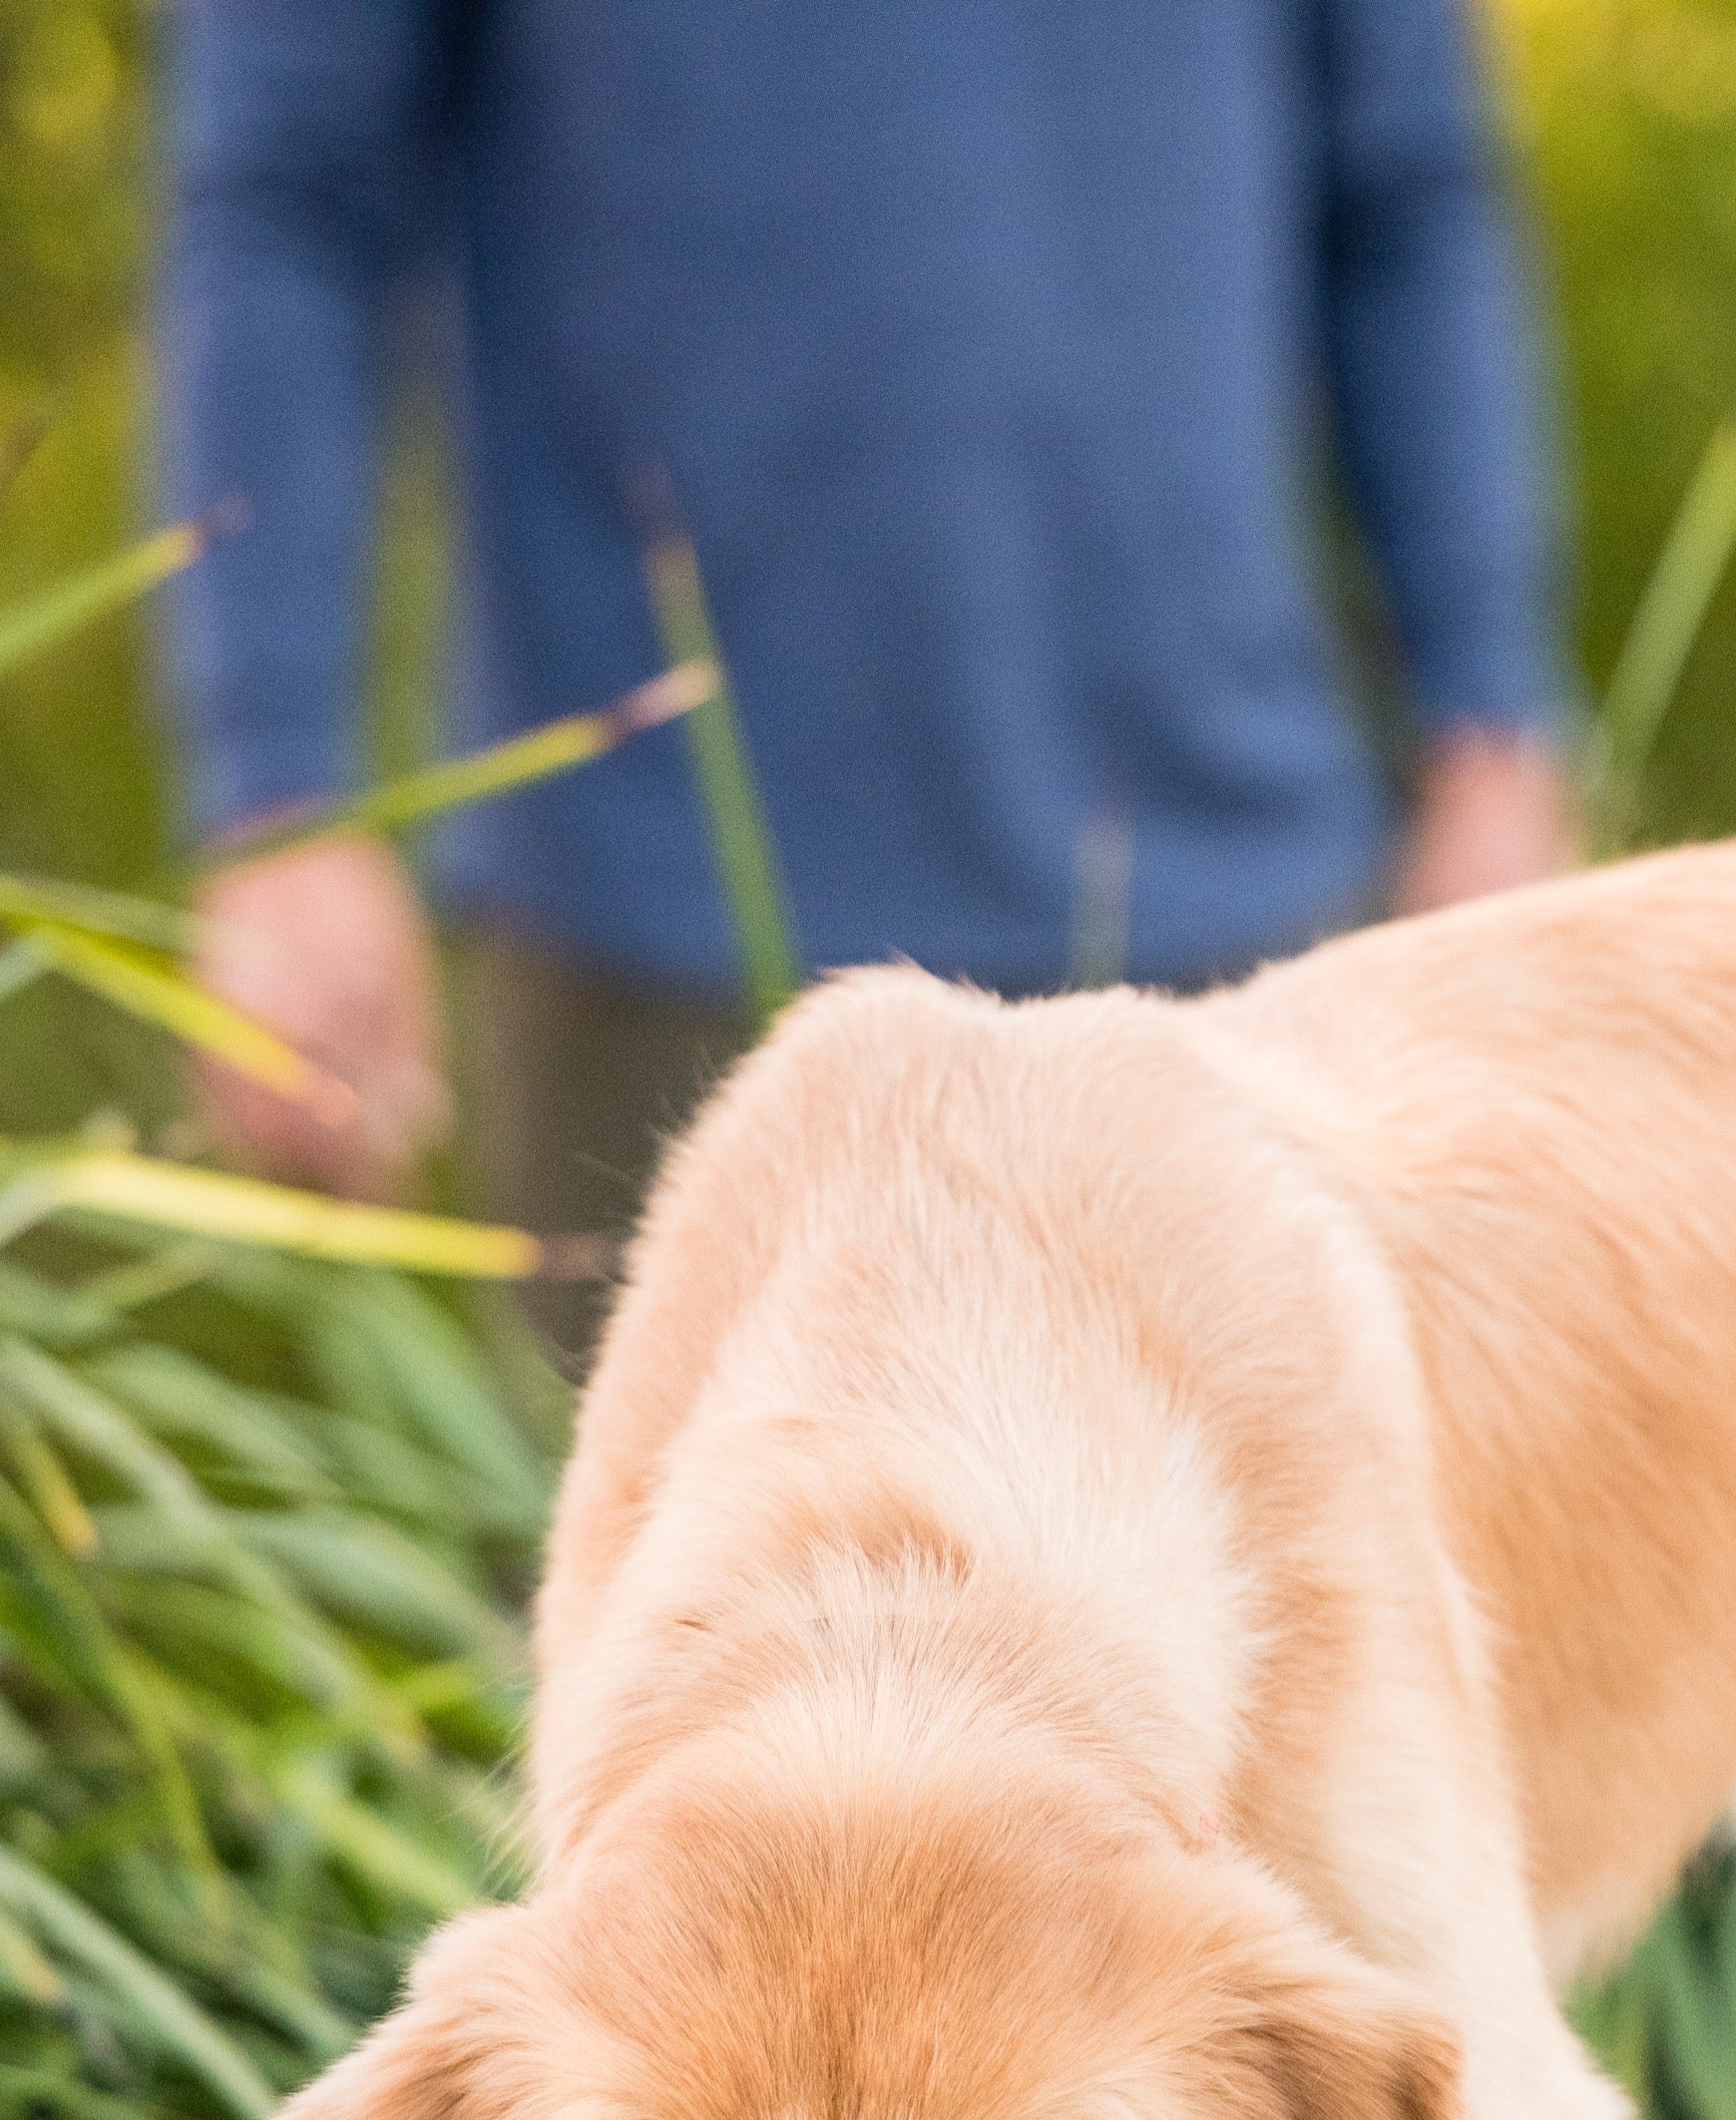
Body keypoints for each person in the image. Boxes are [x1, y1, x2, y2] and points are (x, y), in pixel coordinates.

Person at [149, 1, 1575, 1307]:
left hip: (1239, 912)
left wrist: (1490, 723)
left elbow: (1407, 188)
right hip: (658, 950)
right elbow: (288, 199)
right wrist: (279, 793)